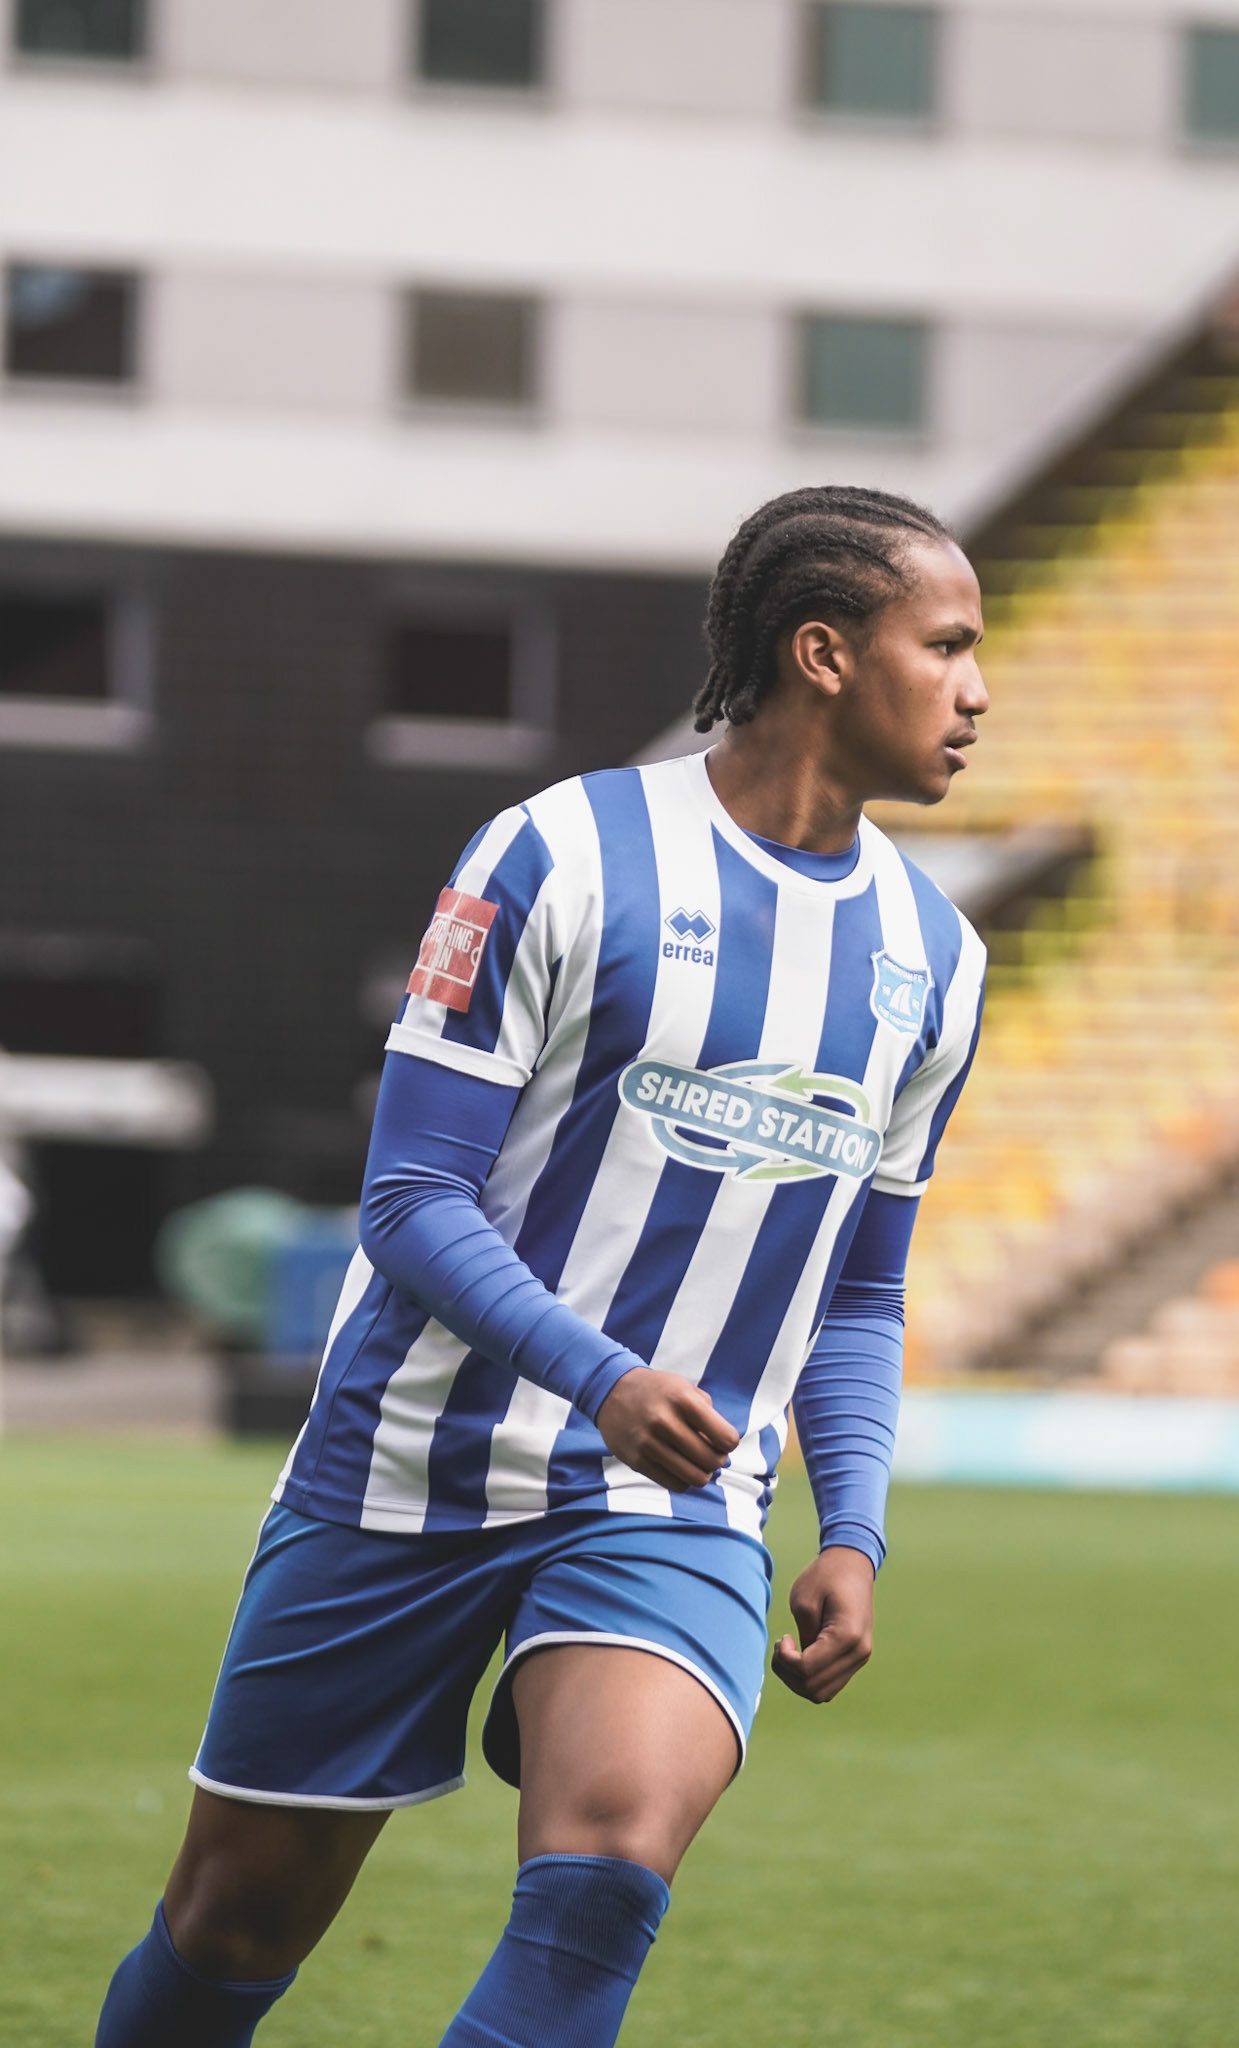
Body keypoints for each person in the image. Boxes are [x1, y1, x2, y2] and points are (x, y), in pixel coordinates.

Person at [94, 483, 989, 2047]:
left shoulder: (937, 959)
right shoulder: (560, 853)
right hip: (407, 1464)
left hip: (669, 1500)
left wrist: (851, 1525)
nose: (976, 692)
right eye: (949, 645)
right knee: (235, 1918)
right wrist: (602, 1376)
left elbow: (855, 1291)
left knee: (606, 1875)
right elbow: (410, 1200)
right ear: (824, 652)